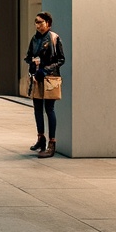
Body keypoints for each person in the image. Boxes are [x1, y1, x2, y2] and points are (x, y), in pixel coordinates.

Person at [24, 12, 65, 158]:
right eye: (36, 22)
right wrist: (32, 63)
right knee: (37, 109)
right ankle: (41, 138)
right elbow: (28, 56)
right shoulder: (35, 38)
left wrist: (45, 69)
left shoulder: (54, 38)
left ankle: (52, 143)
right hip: (37, 77)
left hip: (50, 78)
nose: (38, 25)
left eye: (40, 22)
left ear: (48, 23)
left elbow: (61, 59)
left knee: (49, 109)